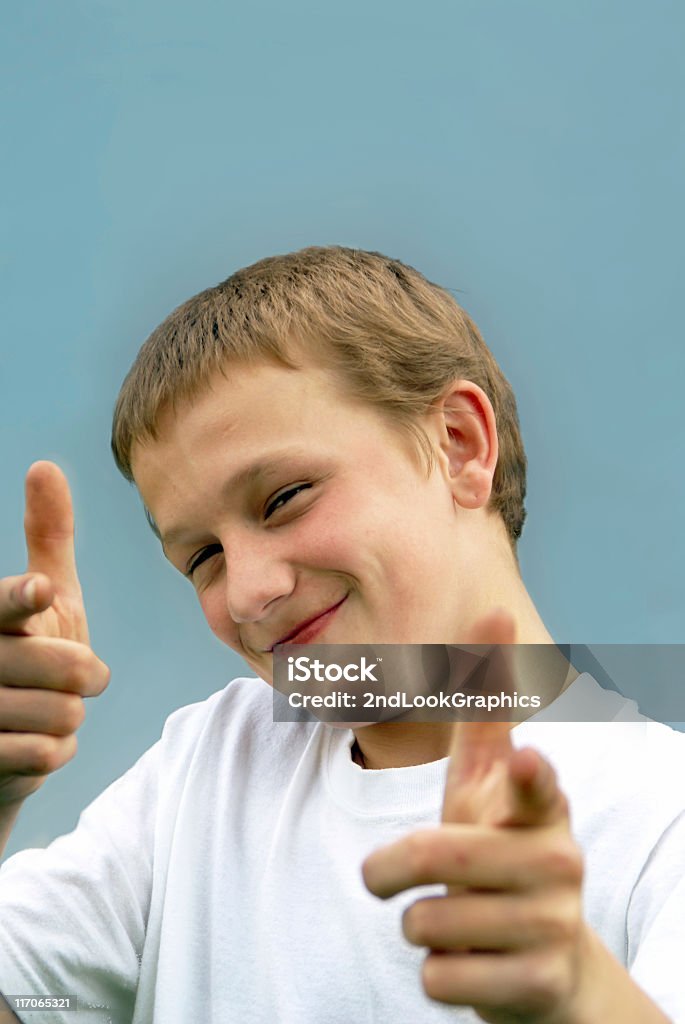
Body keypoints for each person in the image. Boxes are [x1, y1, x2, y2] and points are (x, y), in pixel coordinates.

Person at [0, 246, 683, 1023]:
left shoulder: (661, 816)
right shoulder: (204, 768)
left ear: (459, 443)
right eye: (203, 557)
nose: (252, 593)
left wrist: (581, 998)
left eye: (285, 496)